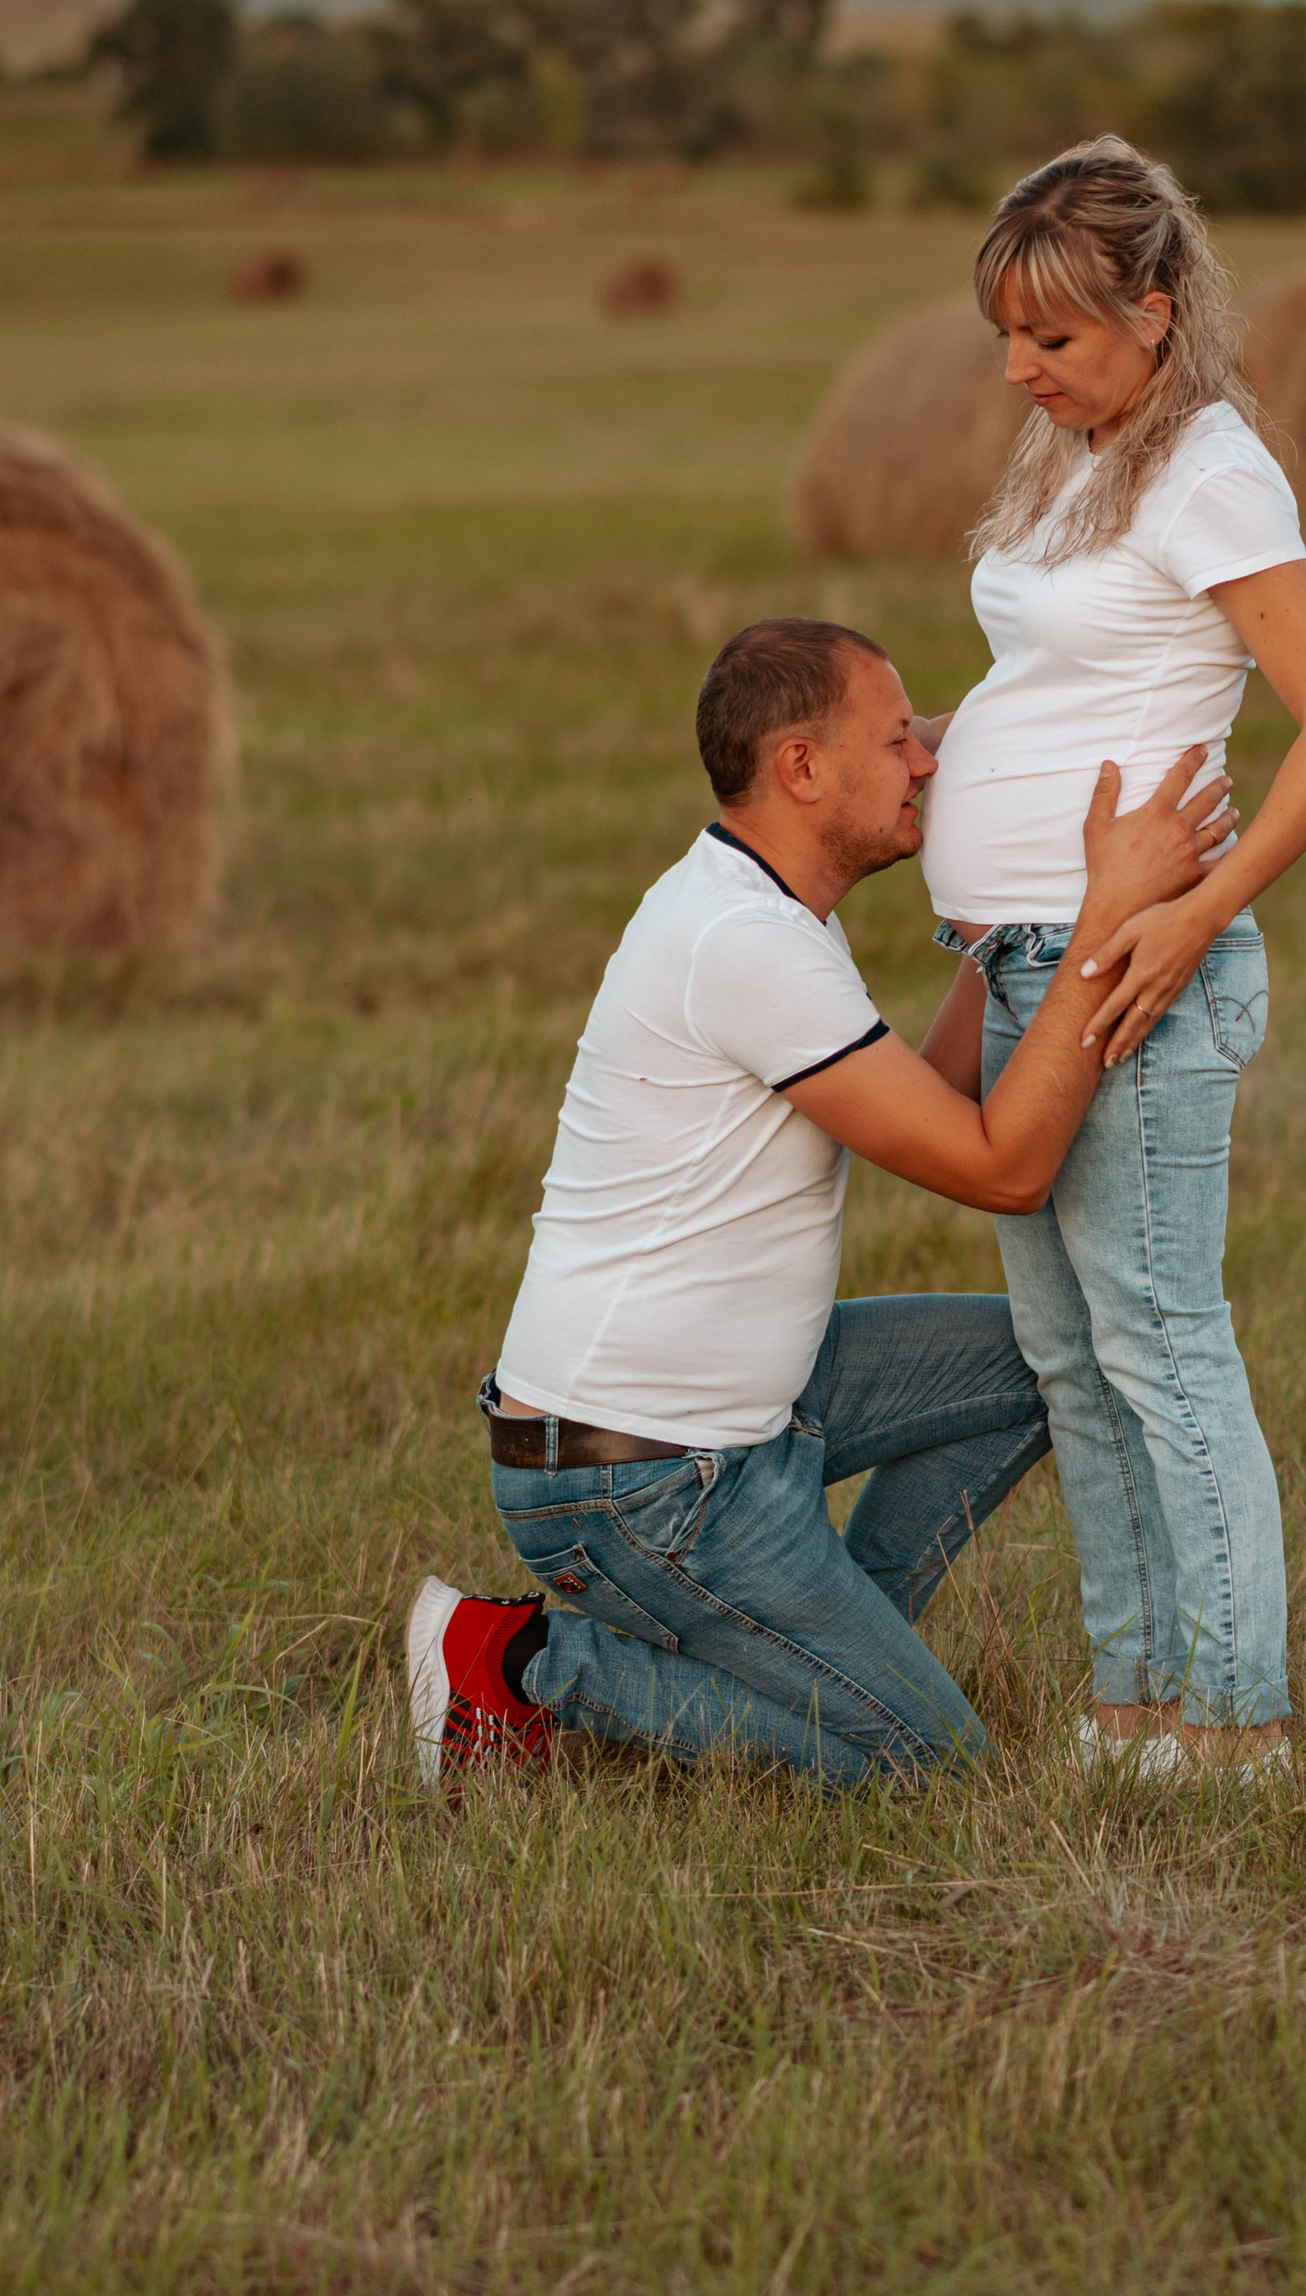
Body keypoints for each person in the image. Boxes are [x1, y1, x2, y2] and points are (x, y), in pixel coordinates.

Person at [407, 612, 1232, 1790]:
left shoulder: (770, 913)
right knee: (927, 1764)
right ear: (800, 767)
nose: (928, 763)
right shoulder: (742, 943)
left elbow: (932, 1106)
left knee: (1050, 1353)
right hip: (630, 1479)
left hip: (741, 1414)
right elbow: (1004, 1165)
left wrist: (1006, 936)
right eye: (900, 738)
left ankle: (834, 1639)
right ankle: (526, 1659)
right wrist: (1103, 919)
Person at [918, 137, 1306, 1780]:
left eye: (1051, 336)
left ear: (1156, 310)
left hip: (1132, 971)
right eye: (1007, 335)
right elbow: (1061, 678)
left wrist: (1193, 912)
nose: (1018, 367)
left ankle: (1237, 1723)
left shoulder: (1209, 471)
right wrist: (947, 750)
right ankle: (1131, 1708)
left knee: (1162, 1345)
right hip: (1024, 961)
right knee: (1071, 1358)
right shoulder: (1077, 456)